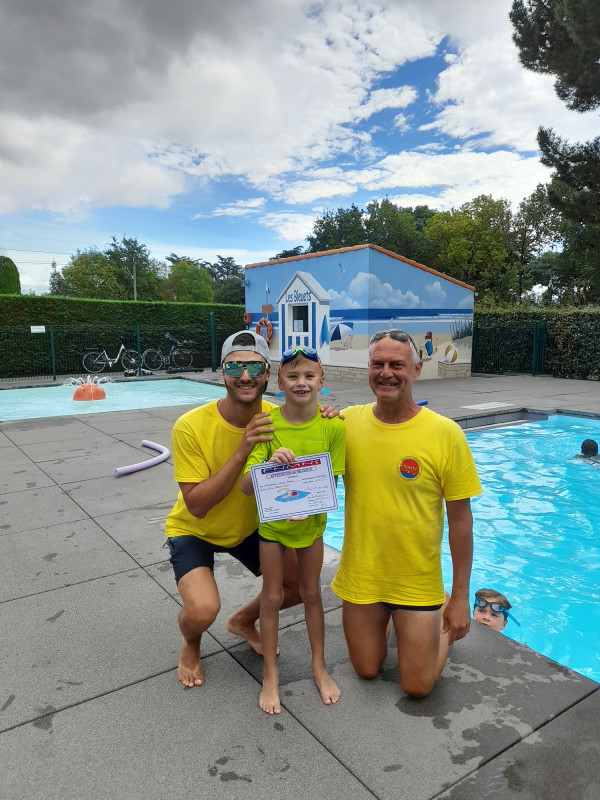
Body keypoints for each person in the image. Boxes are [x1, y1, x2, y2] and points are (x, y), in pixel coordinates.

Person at [331, 329, 482, 699]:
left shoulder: (445, 434)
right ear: (368, 369)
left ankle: (439, 606)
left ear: (416, 368)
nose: (386, 373)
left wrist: (461, 597)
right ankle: (392, 620)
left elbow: (461, 520)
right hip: (363, 574)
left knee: (418, 686)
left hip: (416, 577)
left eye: (397, 364)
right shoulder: (344, 424)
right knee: (367, 670)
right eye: (377, 364)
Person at [241, 346, 345, 714]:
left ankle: (319, 666)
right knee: (270, 597)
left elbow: (329, 482)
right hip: (272, 528)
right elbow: (244, 486)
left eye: (309, 376)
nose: (301, 383)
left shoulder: (333, 426)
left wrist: (307, 506)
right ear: (279, 381)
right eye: (293, 376)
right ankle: (270, 673)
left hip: (312, 528)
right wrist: (269, 464)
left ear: (321, 381)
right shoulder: (268, 426)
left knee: (311, 593)